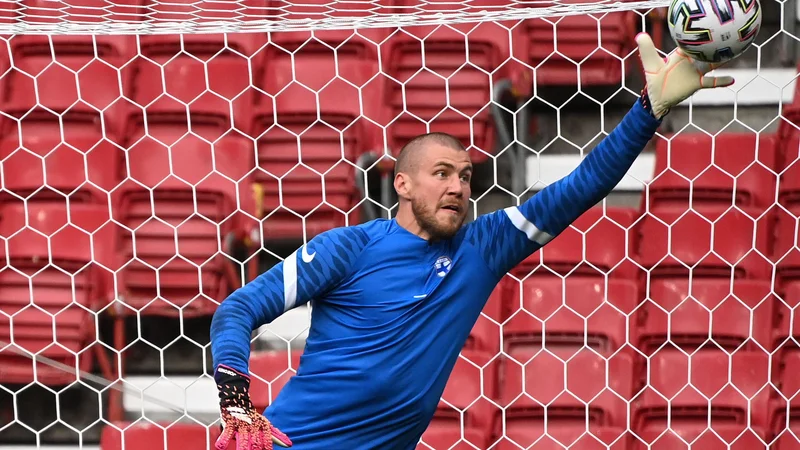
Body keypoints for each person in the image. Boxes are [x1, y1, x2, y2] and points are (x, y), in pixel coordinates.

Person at [209, 33, 735, 450]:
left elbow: (582, 186)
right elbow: (237, 309)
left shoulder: (482, 247)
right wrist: (235, 398)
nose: (458, 187)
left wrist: (649, 111)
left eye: (465, 176)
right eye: (442, 173)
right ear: (402, 183)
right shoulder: (349, 248)